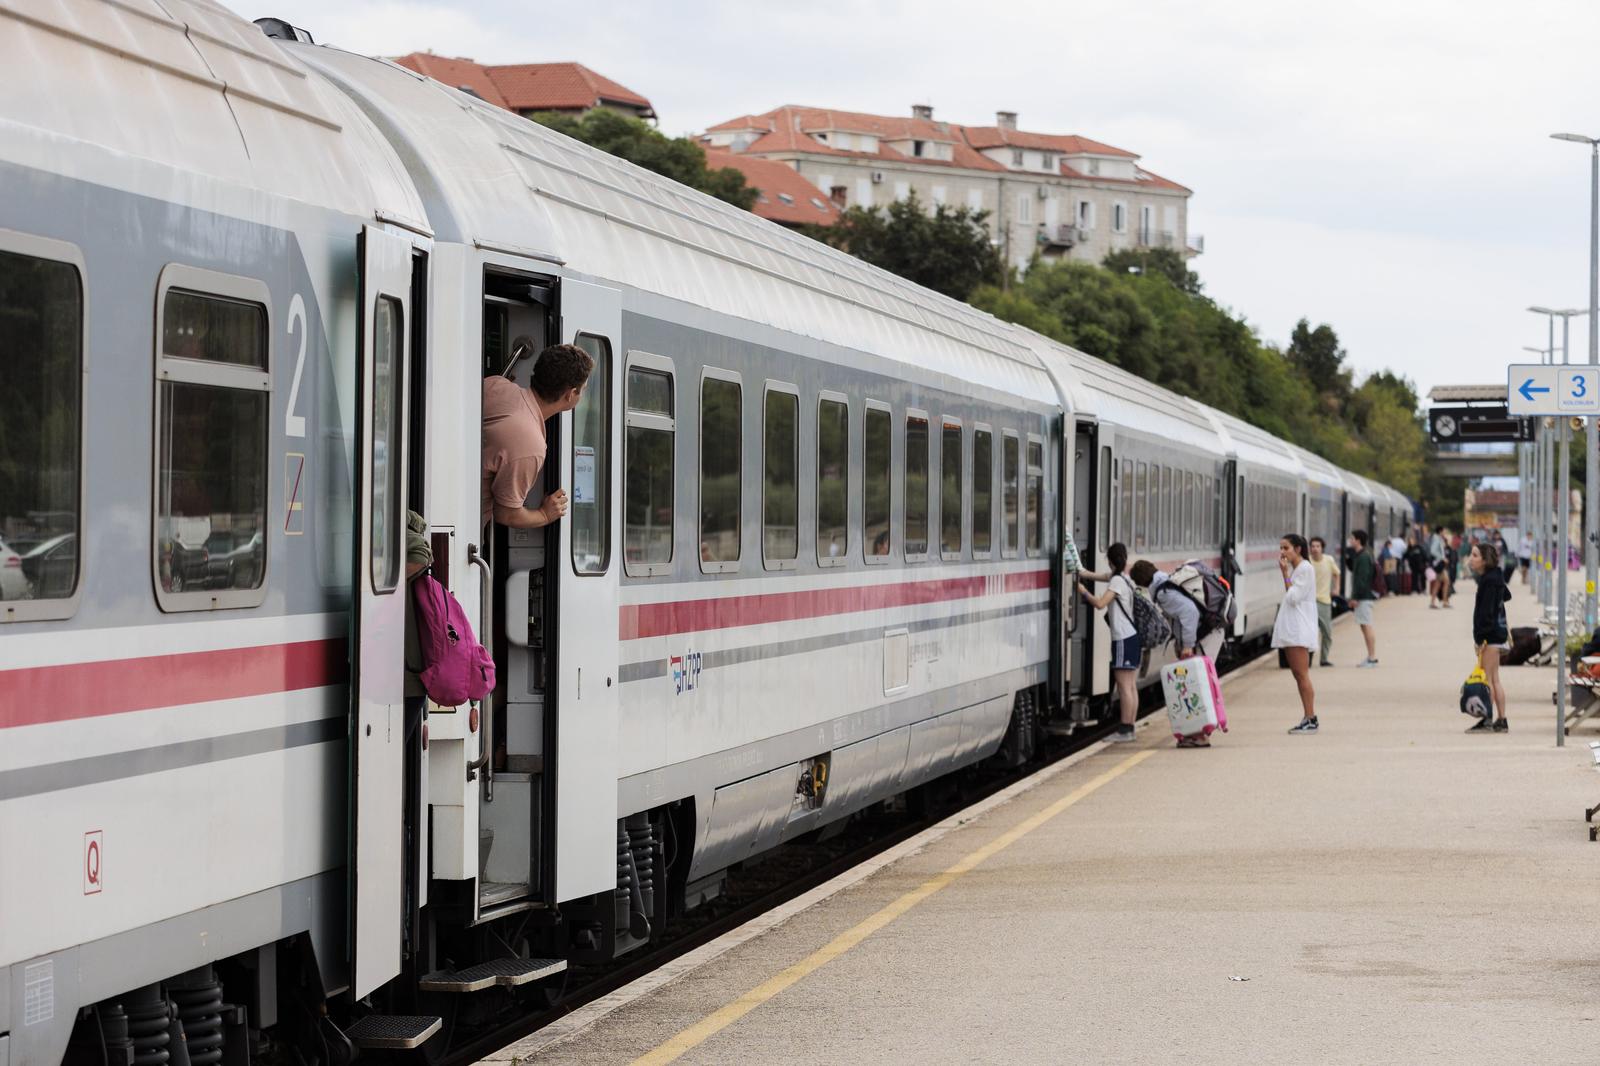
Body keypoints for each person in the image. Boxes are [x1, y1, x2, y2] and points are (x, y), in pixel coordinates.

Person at [482, 339, 594, 530]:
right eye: (582, 390)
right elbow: (506, 513)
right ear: (570, 394)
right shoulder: (530, 446)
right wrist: (544, 514)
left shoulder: (496, 384)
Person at [1078, 544, 1141, 744]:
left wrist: (1082, 590)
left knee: (1123, 686)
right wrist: (1083, 573)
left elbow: (1100, 604)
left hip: (1122, 638)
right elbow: (1100, 576)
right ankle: (1130, 727)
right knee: (1131, 685)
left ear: (1110, 561)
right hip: (1132, 637)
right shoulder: (1125, 579)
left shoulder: (1117, 581)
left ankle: (1125, 729)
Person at [1275, 533, 1320, 734]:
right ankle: (1307, 717)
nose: (1282, 552)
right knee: (1298, 675)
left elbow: (1293, 597)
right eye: (1281, 548)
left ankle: (1311, 718)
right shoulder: (1299, 569)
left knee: (1302, 675)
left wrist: (1284, 574)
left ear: (1298, 549)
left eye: (1286, 548)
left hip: (1298, 629)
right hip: (1294, 629)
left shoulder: (1305, 569)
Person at [1466, 541, 1512, 734]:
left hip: (1490, 636)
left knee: (1489, 680)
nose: (1471, 558)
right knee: (1495, 679)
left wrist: (1480, 638)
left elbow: (1485, 613)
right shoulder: (1495, 578)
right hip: (1496, 634)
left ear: (1485, 561)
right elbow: (1506, 596)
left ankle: (1488, 719)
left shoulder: (1489, 581)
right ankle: (1501, 720)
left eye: (1475, 555)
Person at [1131, 559, 1199, 658]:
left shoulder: (1164, 593)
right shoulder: (1164, 581)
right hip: (1199, 631)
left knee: (1198, 671)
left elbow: (1190, 611)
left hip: (1203, 633)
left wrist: (1188, 645)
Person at [1348, 529, 1379, 667]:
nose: (1350, 541)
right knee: (1364, 626)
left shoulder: (1364, 557)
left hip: (1364, 597)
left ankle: (1372, 658)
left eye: (1352, 538)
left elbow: (1362, 579)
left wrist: (1355, 597)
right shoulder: (1362, 555)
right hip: (1364, 596)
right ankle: (1370, 656)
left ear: (1358, 540)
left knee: (1367, 626)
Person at [1308, 537, 1340, 667]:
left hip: (1324, 602)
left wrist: (1336, 588)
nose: (1315, 549)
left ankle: (1324, 659)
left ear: (1322, 548)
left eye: (1318, 546)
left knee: (1327, 632)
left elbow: (1337, 574)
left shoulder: (1329, 560)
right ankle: (1308, 659)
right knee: (1310, 633)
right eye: (1313, 546)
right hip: (1309, 602)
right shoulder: (1307, 562)